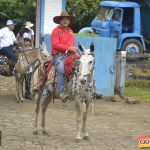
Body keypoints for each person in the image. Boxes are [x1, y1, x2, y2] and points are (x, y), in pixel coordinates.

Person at [51, 11, 79, 100]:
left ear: (69, 21)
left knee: (83, 65)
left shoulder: (70, 31)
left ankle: (87, 89)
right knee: (61, 68)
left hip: (70, 55)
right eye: (63, 19)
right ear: (60, 21)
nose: (65, 21)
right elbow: (55, 45)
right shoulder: (56, 31)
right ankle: (60, 92)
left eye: (67, 19)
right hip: (58, 56)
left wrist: (75, 52)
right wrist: (68, 48)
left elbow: (72, 45)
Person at [17, 25, 34, 100]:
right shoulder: (21, 49)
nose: (27, 42)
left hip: (28, 67)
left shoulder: (30, 49)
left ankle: (27, 93)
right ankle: (20, 93)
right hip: (22, 66)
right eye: (26, 41)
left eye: (28, 41)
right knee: (21, 79)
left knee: (28, 80)